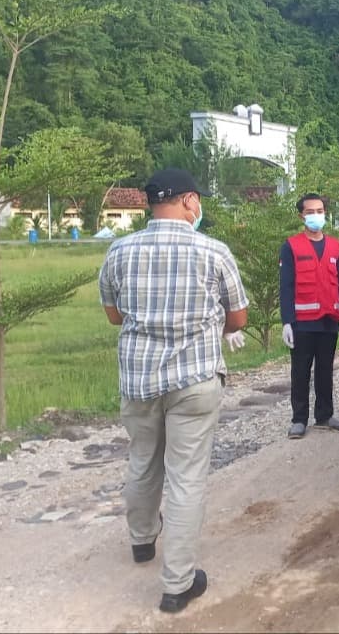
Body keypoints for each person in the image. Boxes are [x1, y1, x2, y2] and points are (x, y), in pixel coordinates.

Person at [98, 168, 250, 614]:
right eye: (197, 201)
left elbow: (113, 314)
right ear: (188, 201)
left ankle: (142, 540)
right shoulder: (213, 252)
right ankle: (177, 583)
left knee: (142, 460)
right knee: (186, 478)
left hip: (139, 379)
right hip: (194, 379)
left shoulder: (119, 251)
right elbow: (238, 319)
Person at [279, 192, 339, 439]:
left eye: (320, 211)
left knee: (325, 370)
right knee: (300, 371)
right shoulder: (291, 246)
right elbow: (286, 285)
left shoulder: (334, 246)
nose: (316, 216)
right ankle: (299, 419)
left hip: (328, 320)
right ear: (301, 215)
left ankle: (324, 415)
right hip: (302, 323)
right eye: (310, 212)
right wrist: (287, 321)